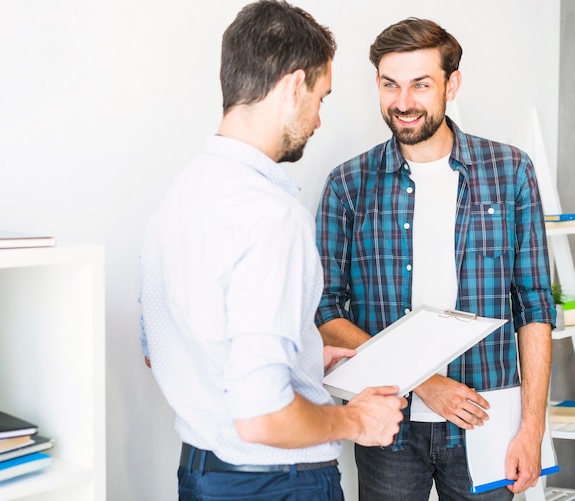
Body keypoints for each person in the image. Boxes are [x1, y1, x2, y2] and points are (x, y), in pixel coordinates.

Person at [139, 2, 407, 500]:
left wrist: (302, 355)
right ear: (292, 87)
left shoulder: (180, 198)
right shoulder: (273, 216)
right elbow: (261, 418)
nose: (319, 120)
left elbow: (172, 350)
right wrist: (355, 419)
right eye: (321, 98)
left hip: (201, 474)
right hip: (275, 482)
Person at [315, 17, 555, 501]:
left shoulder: (510, 173)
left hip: (489, 423)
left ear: (452, 83)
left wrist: (531, 428)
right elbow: (325, 312)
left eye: (420, 84)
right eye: (389, 84)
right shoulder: (348, 185)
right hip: (387, 428)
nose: (403, 102)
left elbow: (533, 305)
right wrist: (425, 382)